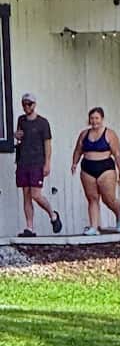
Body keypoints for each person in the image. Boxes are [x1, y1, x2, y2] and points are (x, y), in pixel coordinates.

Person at [71, 107, 120, 236]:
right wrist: (74, 163)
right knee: (92, 198)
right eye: (92, 118)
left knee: (108, 199)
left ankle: (119, 214)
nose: (94, 121)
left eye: (97, 118)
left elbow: (117, 154)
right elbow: (78, 150)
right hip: (87, 168)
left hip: (105, 168)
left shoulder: (110, 134)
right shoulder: (84, 134)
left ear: (102, 119)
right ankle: (94, 227)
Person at [14, 93, 62, 238]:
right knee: (26, 195)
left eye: (29, 104)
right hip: (23, 161)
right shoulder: (21, 120)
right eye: (24, 104)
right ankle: (29, 227)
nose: (26, 107)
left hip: (37, 162)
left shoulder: (43, 123)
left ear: (34, 105)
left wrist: (47, 163)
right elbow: (19, 138)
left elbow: (47, 144)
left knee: (36, 194)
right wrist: (17, 136)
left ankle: (53, 215)